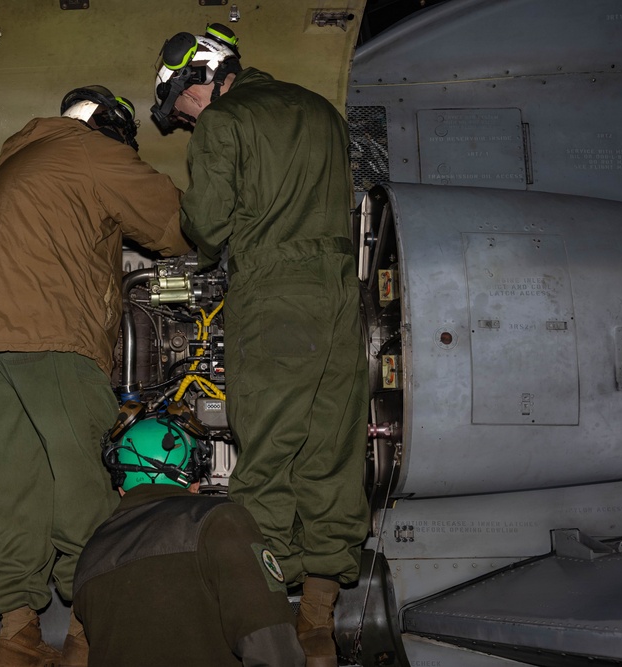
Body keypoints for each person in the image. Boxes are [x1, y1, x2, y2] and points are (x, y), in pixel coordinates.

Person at [0, 86, 191, 667]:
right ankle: (88, 633)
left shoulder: (14, 163)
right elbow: (173, 223)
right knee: (80, 484)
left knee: (11, 489)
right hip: (49, 336)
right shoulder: (89, 151)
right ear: (111, 127)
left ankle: (17, 637)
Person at [150, 27, 370, 666]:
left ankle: (267, 615)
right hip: (340, 294)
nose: (188, 123)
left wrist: (197, 235)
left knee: (268, 450)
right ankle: (318, 622)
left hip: (276, 295)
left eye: (182, 108)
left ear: (202, 78)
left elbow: (208, 222)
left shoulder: (225, 121)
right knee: (331, 447)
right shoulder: (321, 111)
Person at [73, 407, 305, 667]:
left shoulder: (90, 556)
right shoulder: (221, 521)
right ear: (194, 482)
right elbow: (273, 649)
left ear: (121, 487)